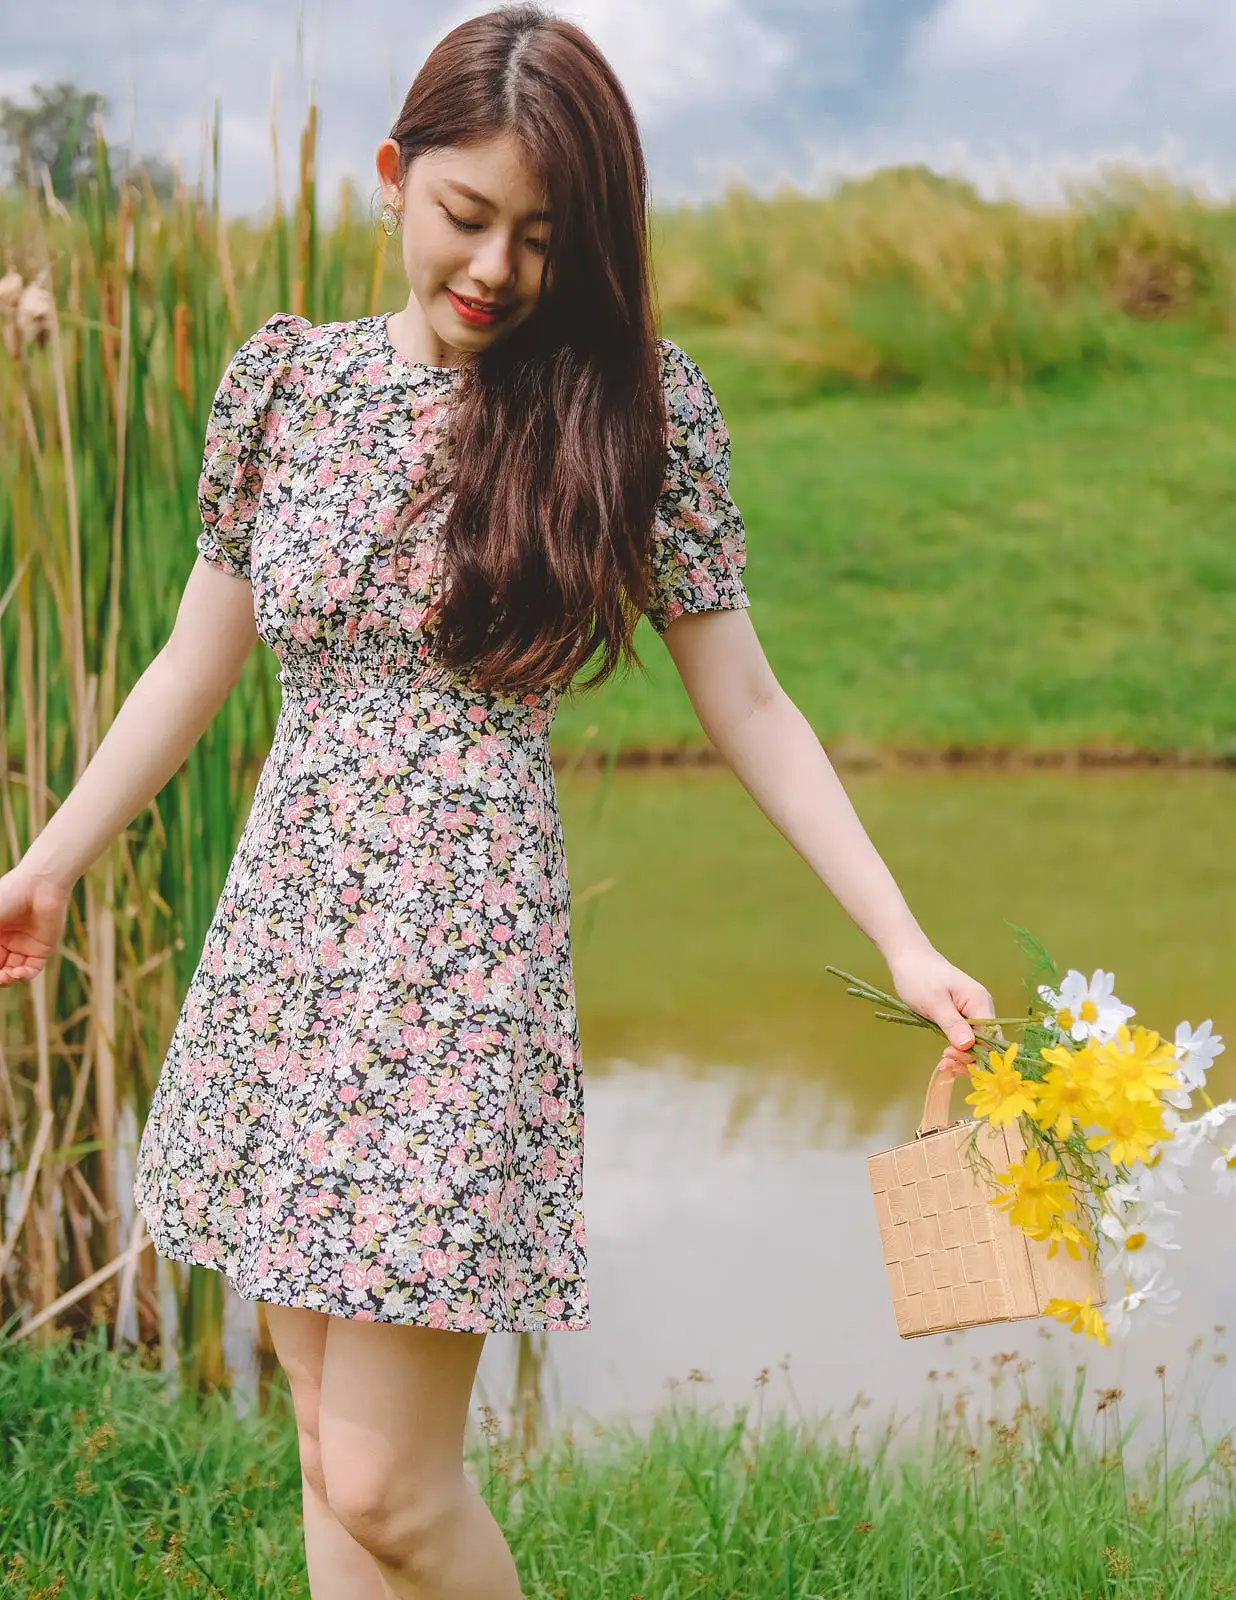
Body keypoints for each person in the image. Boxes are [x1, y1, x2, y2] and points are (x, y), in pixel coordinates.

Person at [0, 6, 993, 1596]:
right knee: (329, 1448)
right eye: (467, 215)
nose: (496, 267)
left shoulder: (625, 413)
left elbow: (746, 697)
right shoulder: (289, 390)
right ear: (391, 180)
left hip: (460, 972)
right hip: (290, 939)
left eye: (542, 236)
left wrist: (905, 933)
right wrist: (45, 864)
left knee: (395, 1485)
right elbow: (194, 662)